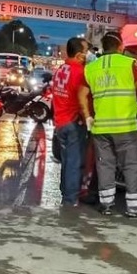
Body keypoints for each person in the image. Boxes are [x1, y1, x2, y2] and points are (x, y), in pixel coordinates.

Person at [78, 31, 137, 219]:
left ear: (104, 47)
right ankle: (135, 208)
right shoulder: (127, 64)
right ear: (120, 46)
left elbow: (81, 94)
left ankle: (106, 205)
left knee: (105, 165)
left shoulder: (91, 67)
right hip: (125, 127)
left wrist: (88, 116)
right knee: (132, 165)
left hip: (101, 127)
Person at [52, 37, 90, 206]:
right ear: (80, 54)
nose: (88, 54)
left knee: (66, 161)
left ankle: (65, 192)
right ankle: (70, 199)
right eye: (87, 51)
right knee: (74, 163)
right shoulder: (80, 72)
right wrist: (87, 118)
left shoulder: (61, 69)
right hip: (74, 122)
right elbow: (82, 99)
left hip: (60, 122)